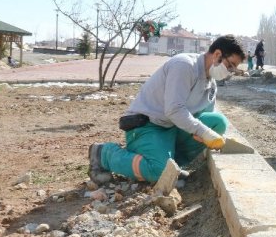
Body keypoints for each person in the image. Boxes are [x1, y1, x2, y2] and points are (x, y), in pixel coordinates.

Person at [88, 35, 245, 185]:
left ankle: (172, 163)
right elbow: (175, 110)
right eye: (229, 65)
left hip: (170, 127)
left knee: (217, 123)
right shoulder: (184, 66)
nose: (229, 72)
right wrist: (202, 132)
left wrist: (207, 133)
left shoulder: (211, 84)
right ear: (217, 54)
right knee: (159, 172)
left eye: (233, 69)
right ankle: (104, 154)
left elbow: (203, 116)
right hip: (147, 126)